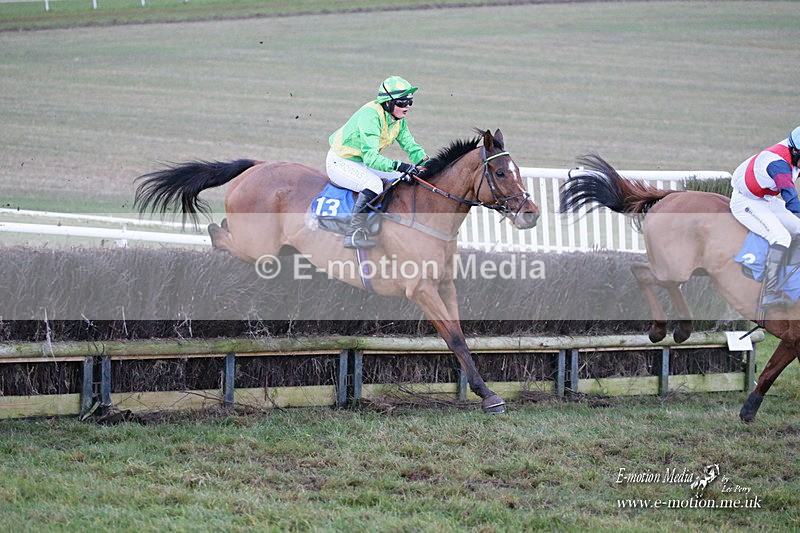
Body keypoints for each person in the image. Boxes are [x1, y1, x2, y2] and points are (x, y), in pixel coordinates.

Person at [327, 76, 429, 249]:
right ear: (388, 103)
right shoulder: (370, 116)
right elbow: (371, 159)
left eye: (410, 102)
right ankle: (353, 234)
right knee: (374, 184)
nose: (408, 106)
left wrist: (427, 164)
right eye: (403, 102)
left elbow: (411, 145)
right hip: (341, 161)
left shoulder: (397, 120)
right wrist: (401, 166)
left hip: (361, 161)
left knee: (403, 179)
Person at [730, 126, 800, 309]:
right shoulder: (778, 164)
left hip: (766, 199)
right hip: (746, 202)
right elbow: (792, 201)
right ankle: (770, 294)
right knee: (781, 237)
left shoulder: (795, 153)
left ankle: (788, 280)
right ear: (794, 151)